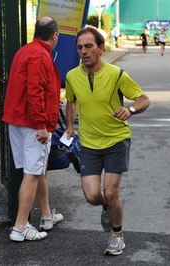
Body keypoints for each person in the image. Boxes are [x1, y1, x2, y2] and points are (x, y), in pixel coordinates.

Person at [64, 27, 150, 256]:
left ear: (101, 49)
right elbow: (70, 102)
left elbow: (143, 99)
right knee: (92, 196)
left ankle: (117, 235)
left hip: (116, 140)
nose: (84, 51)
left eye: (89, 46)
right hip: (89, 144)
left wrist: (130, 109)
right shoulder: (72, 76)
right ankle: (106, 207)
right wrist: (70, 127)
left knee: (111, 193)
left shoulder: (116, 74)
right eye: (80, 47)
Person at [2, 16, 64, 242]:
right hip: (32, 124)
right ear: (54, 35)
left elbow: (29, 88)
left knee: (39, 170)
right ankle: (20, 227)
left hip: (18, 119)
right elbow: (35, 91)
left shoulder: (25, 51)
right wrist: (41, 125)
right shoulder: (40, 54)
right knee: (33, 173)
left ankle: (46, 215)